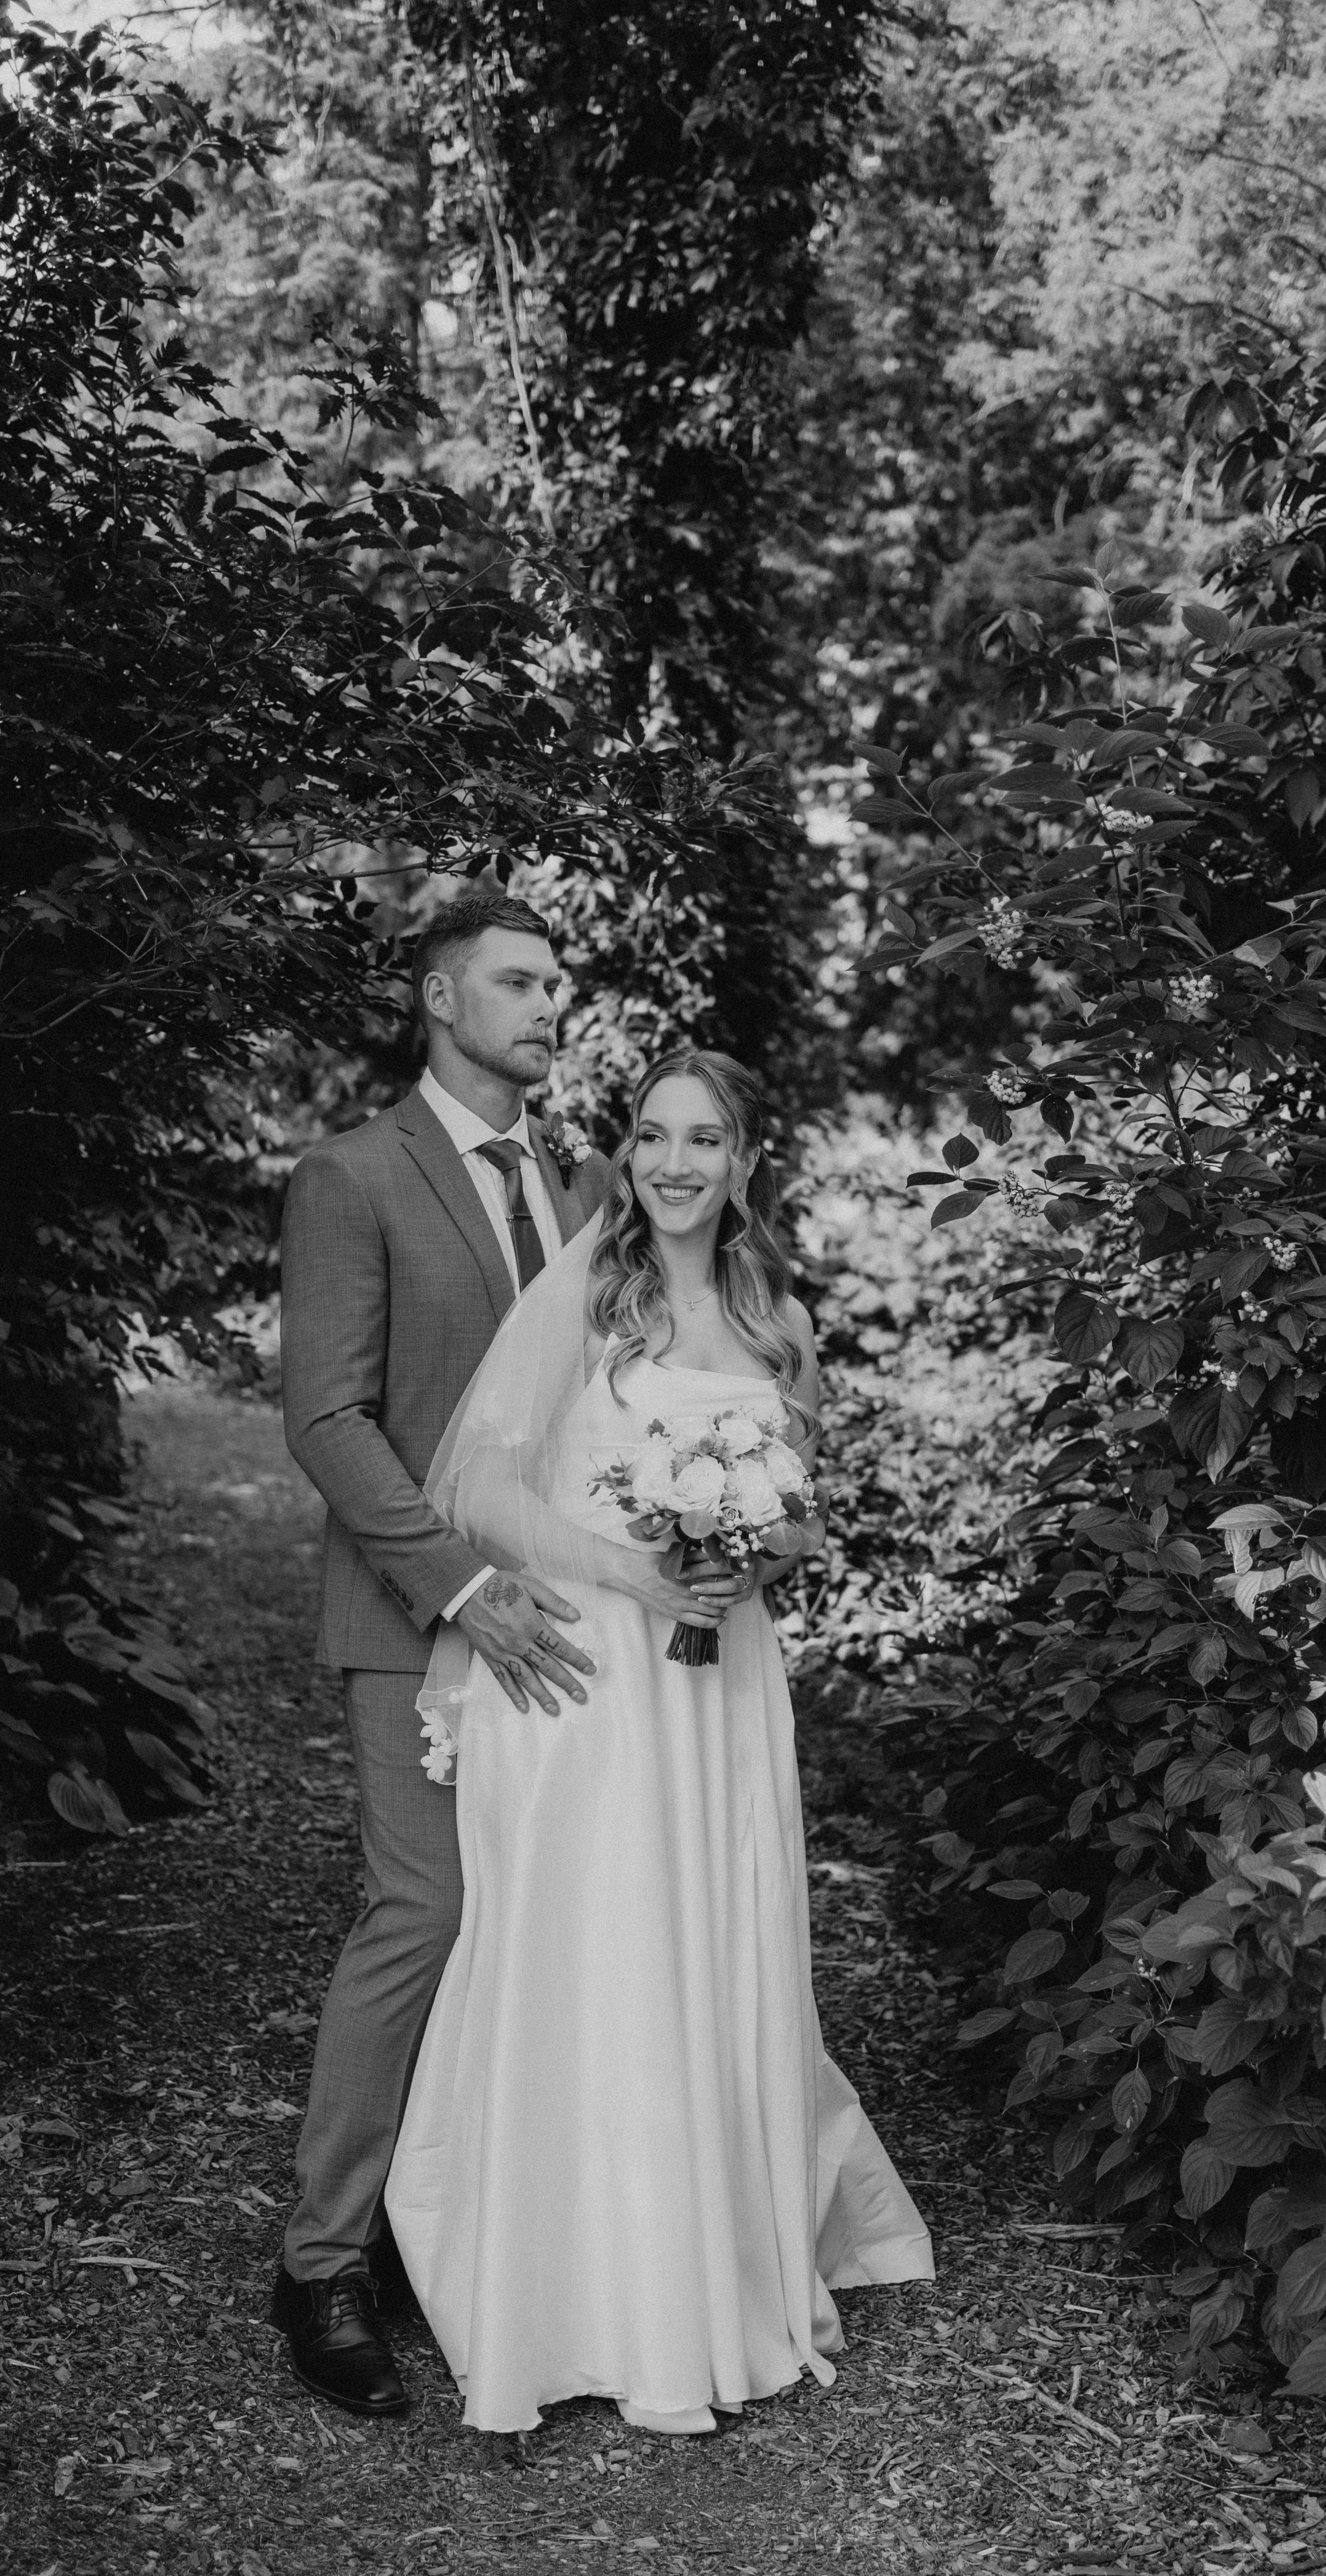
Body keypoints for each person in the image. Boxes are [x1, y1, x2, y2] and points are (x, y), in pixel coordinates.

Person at [384, 1049, 933, 2438]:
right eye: (652, 1136)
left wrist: (750, 1556)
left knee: (710, 1940)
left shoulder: (774, 1317)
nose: (675, 1162)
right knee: (595, 1951)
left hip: (719, 1678)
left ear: (744, 1161)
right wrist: (635, 1569)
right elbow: (483, 1487)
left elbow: (803, 1510)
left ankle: (700, 2279)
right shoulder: (589, 1296)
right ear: (628, 1155)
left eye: (704, 1139)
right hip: (591, 1670)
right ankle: (568, 2295)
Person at [272, 891, 703, 2416]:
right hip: (418, 1615)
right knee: (425, 1909)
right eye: (519, 981)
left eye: (558, 983)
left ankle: (468, 2226)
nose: (549, 1006)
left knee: (545, 1919)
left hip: (574, 1625)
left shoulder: (587, 1182)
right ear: (439, 996)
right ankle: (321, 2261)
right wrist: (460, 1586)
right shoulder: (350, 1176)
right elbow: (327, 1418)